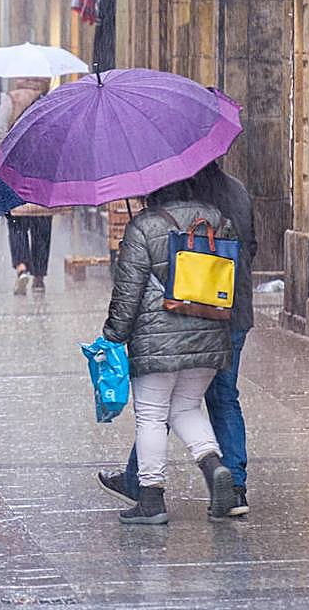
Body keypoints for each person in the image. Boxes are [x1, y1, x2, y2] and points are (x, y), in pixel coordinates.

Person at [97, 161, 258, 517]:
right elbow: (244, 256)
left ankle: (150, 496)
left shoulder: (147, 225)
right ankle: (222, 474)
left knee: (153, 415)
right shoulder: (222, 213)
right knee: (194, 405)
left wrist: (113, 336)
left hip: (160, 337)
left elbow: (129, 291)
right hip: (216, 326)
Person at [0, 78, 53, 293]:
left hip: (15, 170)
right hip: (43, 169)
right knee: (41, 222)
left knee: (16, 221)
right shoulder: (50, 100)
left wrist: (10, 150)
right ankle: (39, 276)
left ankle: (22, 267)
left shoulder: (12, 100)